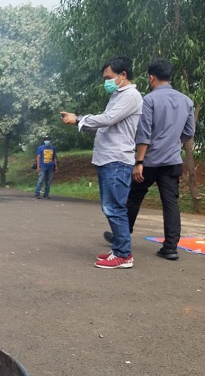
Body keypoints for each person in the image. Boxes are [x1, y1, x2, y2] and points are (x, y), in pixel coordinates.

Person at [104, 58, 195, 261]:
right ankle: (170, 247)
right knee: (171, 203)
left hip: (150, 162)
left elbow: (143, 134)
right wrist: (172, 142)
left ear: (151, 77)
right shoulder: (186, 101)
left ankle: (121, 237)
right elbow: (189, 133)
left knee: (134, 198)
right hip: (172, 161)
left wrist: (139, 162)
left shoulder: (149, 100)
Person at [61, 56, 143, 269]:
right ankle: (118, 250)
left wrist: (79, 119)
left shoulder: (131, 96)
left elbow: (107, 120)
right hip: (109, 158)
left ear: (123, 75)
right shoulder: (119, 95)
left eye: (109, 77)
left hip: (117, 159)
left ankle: (124, 255)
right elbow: (105, 122)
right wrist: (81, 121)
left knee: (114, 208)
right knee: (111, 207)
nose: (106, 81)